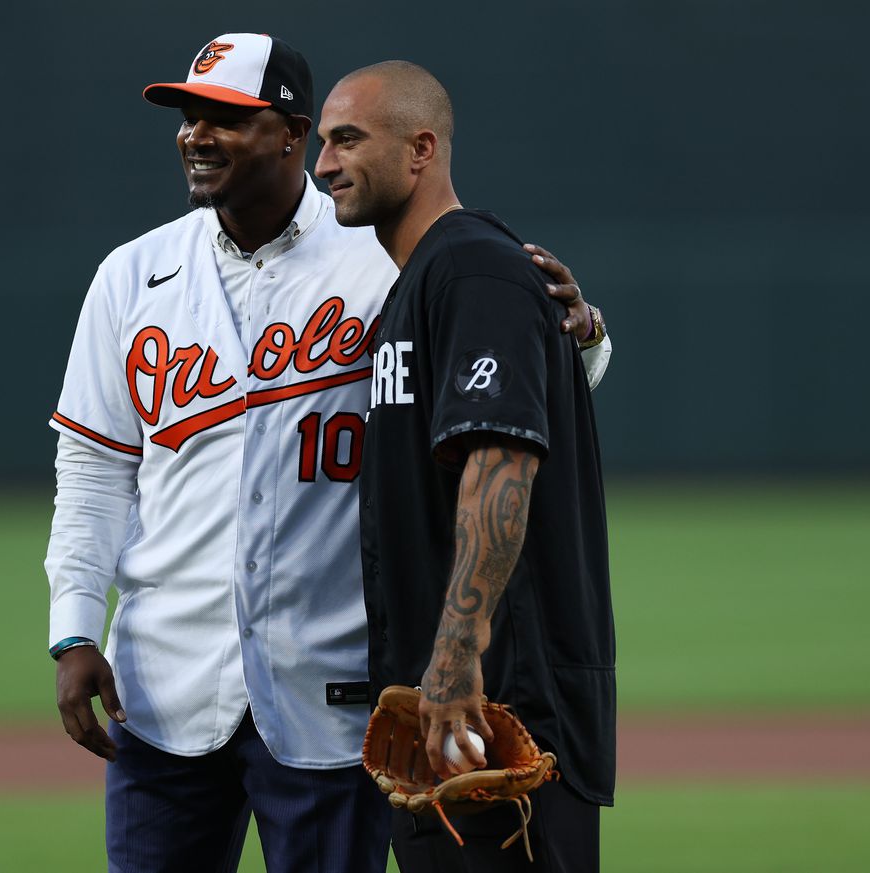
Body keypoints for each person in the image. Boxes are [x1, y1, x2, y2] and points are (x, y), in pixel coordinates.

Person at [45, 34, 610, 873]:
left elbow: (508, 392)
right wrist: (72, 627)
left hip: (332, 692)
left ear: (290, 134)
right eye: (188, 117)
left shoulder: (383, 254)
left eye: (224, 117)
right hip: (163, 680)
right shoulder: (132, 276)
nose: (195, 135)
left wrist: (584, 336)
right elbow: (95, 467)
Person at [315, 61, 615, 872]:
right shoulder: (419, 284)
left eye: (347, 139)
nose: (323, 164)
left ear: (421, 149)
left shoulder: (472, 268)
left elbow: (503, 460)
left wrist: (453, 658)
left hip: (499, 707)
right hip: (451, 712)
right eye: (321, 142)